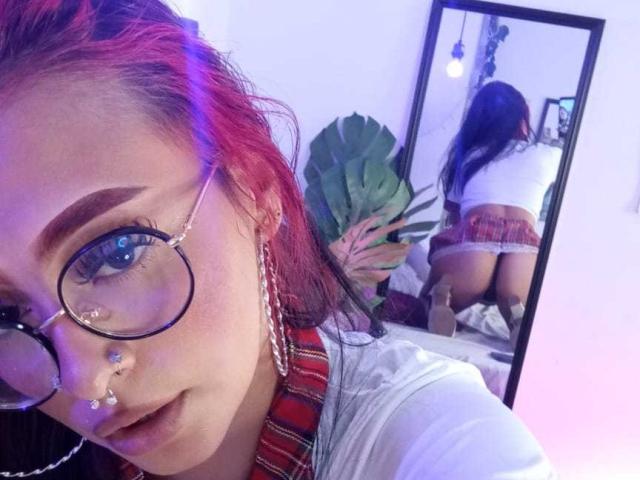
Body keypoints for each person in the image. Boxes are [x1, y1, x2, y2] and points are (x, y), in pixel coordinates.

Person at [0, 2, 555, 479]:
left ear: (255, 191)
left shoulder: (428, 439)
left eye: (115, 254)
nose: (83, 380)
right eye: (5, 313)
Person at [420, 82, 562, 340]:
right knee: (517, 298)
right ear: (522, 116)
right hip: (523, 243)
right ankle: (516, 314)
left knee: (436, 292)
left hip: (475, 240)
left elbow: (454, 217)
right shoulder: (547, 155)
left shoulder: (468, 156)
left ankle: (442, 297)